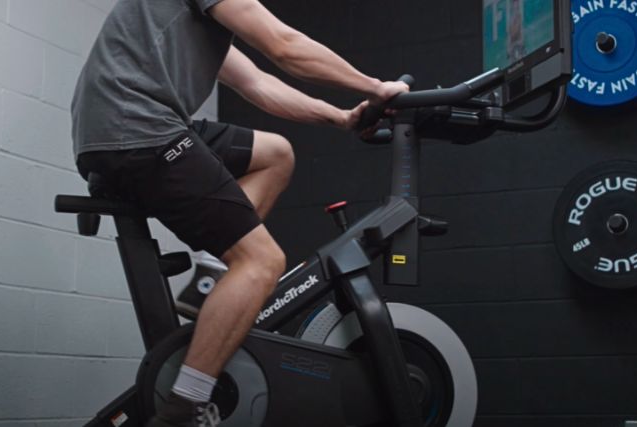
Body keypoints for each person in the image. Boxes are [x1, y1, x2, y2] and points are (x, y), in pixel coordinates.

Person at [71, 0, 408, 425]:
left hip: (128, 128)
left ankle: (208, 280)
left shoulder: (194, 20)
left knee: (276, 155)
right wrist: (376, 87)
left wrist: (341, 118)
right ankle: (183, 408)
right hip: (138, 129)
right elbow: (284, 46)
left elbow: (258, 84)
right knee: (262, 261)